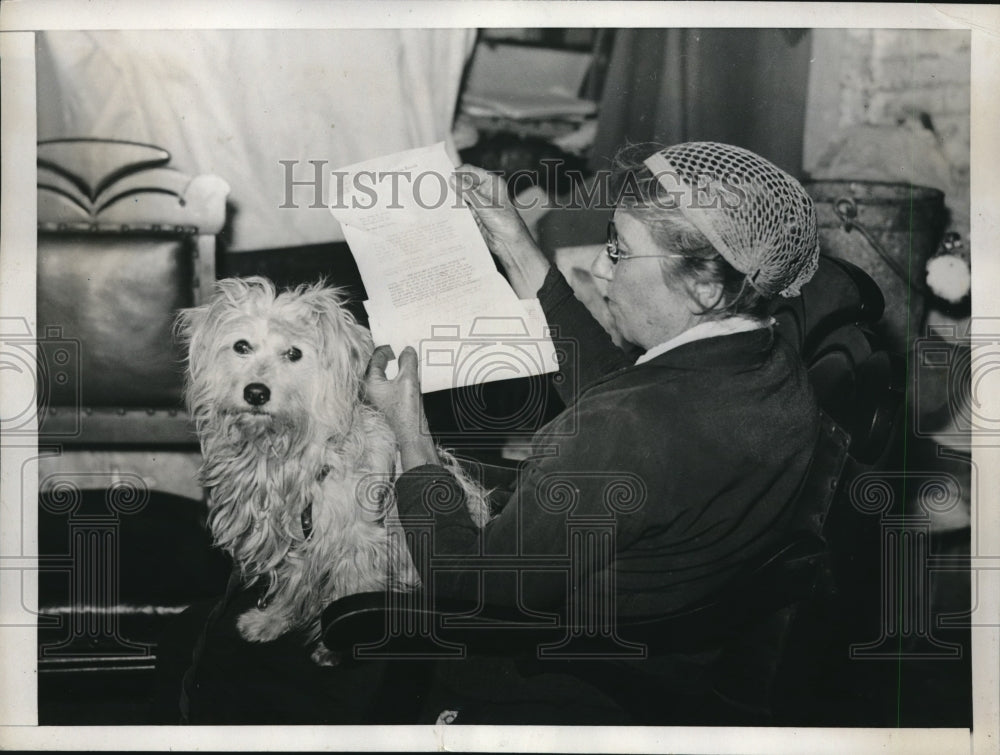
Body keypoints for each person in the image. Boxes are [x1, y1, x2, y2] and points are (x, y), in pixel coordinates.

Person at [362, 141, 823, 723]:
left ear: (705, 288)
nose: (601, 268)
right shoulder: (764, 354)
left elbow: (469, 591)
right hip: (670, 649)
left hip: (560, 676)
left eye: (620, 252)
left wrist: (410, 433)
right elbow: (615, 391)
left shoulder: (629, 427)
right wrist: (512, 238)